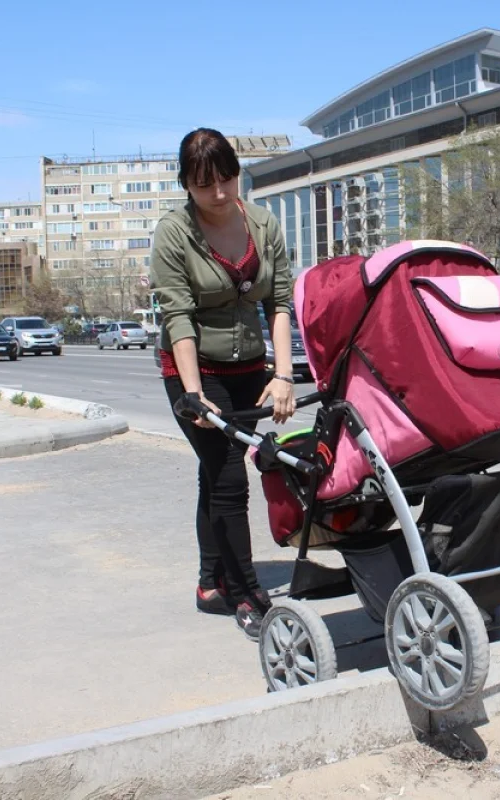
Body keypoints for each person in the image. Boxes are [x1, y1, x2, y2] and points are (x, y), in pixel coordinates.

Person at [150, 128, 297, 641]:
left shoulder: (262, 224)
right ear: (186, 185)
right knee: (231, 477)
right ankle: (246, 593)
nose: (218, 193)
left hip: (250, 368)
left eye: (226, 179)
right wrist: (193, 395)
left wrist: (283, 374)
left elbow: (279, 302)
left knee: (215, 476)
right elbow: (178, 316)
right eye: (203, 184)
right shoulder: (174, 233)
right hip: (194, 371)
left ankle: (209, 584)